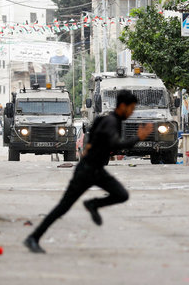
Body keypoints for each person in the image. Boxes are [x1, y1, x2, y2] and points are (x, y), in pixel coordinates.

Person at [23, 90, 153, 254]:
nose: (132, 112)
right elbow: (114, 144)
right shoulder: (111, 122)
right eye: (131, 108)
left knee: (122, 195)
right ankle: (33, 238)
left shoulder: (106, 119)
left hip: (97, 170)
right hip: (86, 171)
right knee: (63, 207)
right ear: (122, 106)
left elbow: (93, 134)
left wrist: (90, 146)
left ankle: (93, 204)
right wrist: (138, 137)